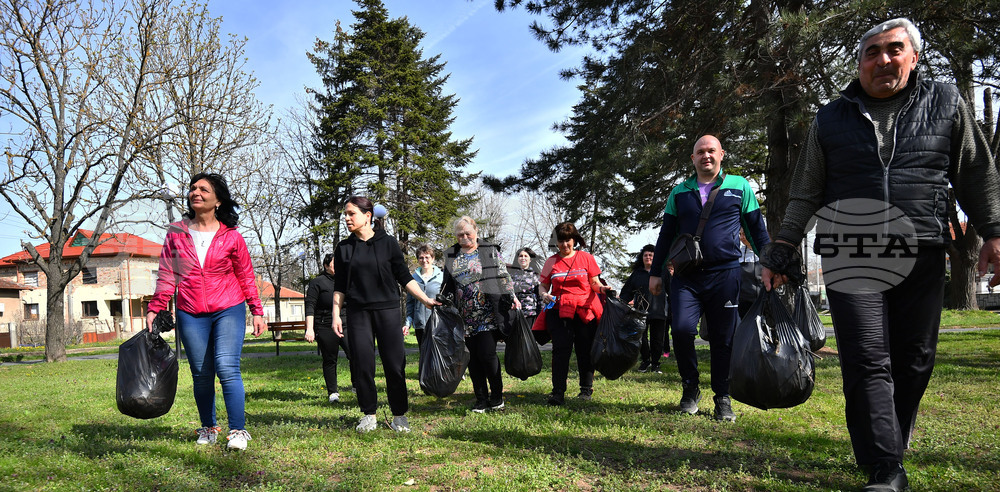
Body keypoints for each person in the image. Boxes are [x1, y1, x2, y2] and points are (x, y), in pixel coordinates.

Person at [762, 18, 1000, 492]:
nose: (883, 60)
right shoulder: (831, 117)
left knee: (915, 357)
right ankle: (885, 466)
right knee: (867, 357)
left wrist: (994, 231)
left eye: (894, 50)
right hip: (852, 245)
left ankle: (891, 434)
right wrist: (783, 246)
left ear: (913, 57)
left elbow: (975, 172)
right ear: (859, 64)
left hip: (922, 245)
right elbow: (807, 189)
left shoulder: (945, 103)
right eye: (872, 53)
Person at [649, 134, 770, 422]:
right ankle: (690, 387)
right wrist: (655, 273)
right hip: (686, 277)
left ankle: (722, 397)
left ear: (721, 154)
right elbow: (666, 235)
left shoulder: (739, 186)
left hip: (726, 275)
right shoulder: (679, 192)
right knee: (679, 330)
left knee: (723, 338)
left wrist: (769, 263)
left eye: (711, 151)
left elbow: (756, 229)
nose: (706, 155)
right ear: (692, 159)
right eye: (700, 151)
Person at [146, 172, 268, 451]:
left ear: (218, 200)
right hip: (190, 310)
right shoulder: (177, 232)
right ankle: (209, 427)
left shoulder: (232, 236)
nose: (195, 193)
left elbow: (246, 276)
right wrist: (156, 307)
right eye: (192, 188)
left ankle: (238, 431)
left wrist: (256, 310)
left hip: (228, 308)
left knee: (226, 367)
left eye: (203, 189)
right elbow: (167, 273)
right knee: (201, 372)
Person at [331, 197, 439, 433]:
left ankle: (399, 415)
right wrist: (336, 315)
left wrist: (425, 300)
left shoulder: (388, 243)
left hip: (388, 310)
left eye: (351, 214)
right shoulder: (344, 248)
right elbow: (339, 286)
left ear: (367, 216)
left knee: (394, 364)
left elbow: (404, 277)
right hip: (358, 312)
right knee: (362, 364)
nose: (347, 219)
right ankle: (369, 414)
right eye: (345, 215)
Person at [441, 216, 521, 413]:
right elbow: (447, 284)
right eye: (460, 234)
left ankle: (496, 396)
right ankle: (481, 399)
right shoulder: (451, 254)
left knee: (487, 354)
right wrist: (444, 301)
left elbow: (503, 275)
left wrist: (512, 296)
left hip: (488, 312)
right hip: (464, 316)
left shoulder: (488, 251)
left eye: (468, 233)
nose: (464, 237)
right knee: (473, 358)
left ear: (476, 231)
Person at [539, 221, 611, 405]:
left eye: (568, 240)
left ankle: (586, 389)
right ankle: (557, 392)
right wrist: (544, 294)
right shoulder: (551, 262)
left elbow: (594, 283)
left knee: (584, 350)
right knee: (560, 351)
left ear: (574, 240)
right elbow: (543, 285)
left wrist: (603, 289)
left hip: (584, 311)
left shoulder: (586, 258)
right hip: (559, 310)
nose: (565, 245)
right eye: (561, 241)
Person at [304, 253, 353, 404]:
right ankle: (333, 392)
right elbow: (310, 306)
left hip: (346, 323)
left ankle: (357, 385)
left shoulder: (346, 280)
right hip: (325, 325)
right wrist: (309, 329)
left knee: (355, 355)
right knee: (330, 359)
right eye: (334, 264)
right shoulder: (317, 282)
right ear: (326, 266)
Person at [620, 244, 670, 373]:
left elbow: (673, 290)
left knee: (657, 340)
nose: (648, 257)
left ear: (656, 257)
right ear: (642, 258)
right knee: (641, 338)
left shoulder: (663, 272)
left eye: (651, 255)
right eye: (646, 255)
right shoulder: (637, 274)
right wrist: (621, 304)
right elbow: (627, 291)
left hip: (659, 311)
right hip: (640, 312)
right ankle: (646, 361)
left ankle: (655, 364)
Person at [405, 244, 444, 351]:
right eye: (421, 257)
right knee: (424, 356)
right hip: (420, 325)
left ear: (433, 258)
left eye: (427, 257)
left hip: (438, 325)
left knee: (438, 356)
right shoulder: (413, 279)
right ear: (418, 260)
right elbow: (410, 303)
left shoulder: (441, 277)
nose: (424, 260)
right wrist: (408, 324)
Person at [508, 247, 543, 342]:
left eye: (525, 256)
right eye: (520, 256)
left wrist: (540, 316)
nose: (523, 258)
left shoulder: (536, 275)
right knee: (515, 341)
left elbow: (540, 297)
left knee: (527, 340)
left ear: (530, 259)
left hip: (529, 313)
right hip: (514, 313)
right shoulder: (511, 275)